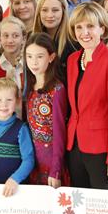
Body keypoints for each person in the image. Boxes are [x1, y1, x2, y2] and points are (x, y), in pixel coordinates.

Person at [66, 3, 108, 190]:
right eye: (79, 27)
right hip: (75, 147)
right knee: (78, 204)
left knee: (104, 205)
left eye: (90, 26)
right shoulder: (73, 60)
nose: (84, 32)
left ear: (102, 28)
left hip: (102, 150)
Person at [24, 33, 69, 188]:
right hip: (32, 159)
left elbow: (59, 133)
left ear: (51, 57)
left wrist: (56, 170)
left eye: (40, 56)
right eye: (29, 56)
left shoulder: (57, 90)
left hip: (51, 160)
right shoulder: (29, 87)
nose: (34, 62)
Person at [33, 0, 77, 80]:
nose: (50, 15)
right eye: (45, 10)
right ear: (39, 12)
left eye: (55, 10)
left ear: (63, 11)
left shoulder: (74, 40)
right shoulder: (31, 39)